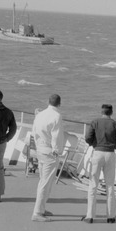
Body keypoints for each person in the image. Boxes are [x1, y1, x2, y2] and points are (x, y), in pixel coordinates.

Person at [83, 104, 116, 223]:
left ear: (102, 111)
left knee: (93, 184)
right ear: (111, 112)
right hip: (110, 154)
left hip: (98, 152)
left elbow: (88, 138)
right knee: (110, 185)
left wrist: (94, 144)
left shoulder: (95, 122)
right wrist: (115, 145)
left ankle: (90, 216)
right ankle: (110, 216)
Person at [31, 94, 66, 222]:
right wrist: (57, 150)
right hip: (50, 153)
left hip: (40, 149)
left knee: (43, 181)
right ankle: (37, 213)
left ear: (48, 102)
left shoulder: (40, 114)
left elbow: (34, 131)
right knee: (45, 183)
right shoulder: (57, 116)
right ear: (59, 103)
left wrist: (37, 145)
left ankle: (42, 207)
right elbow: (57, 136)